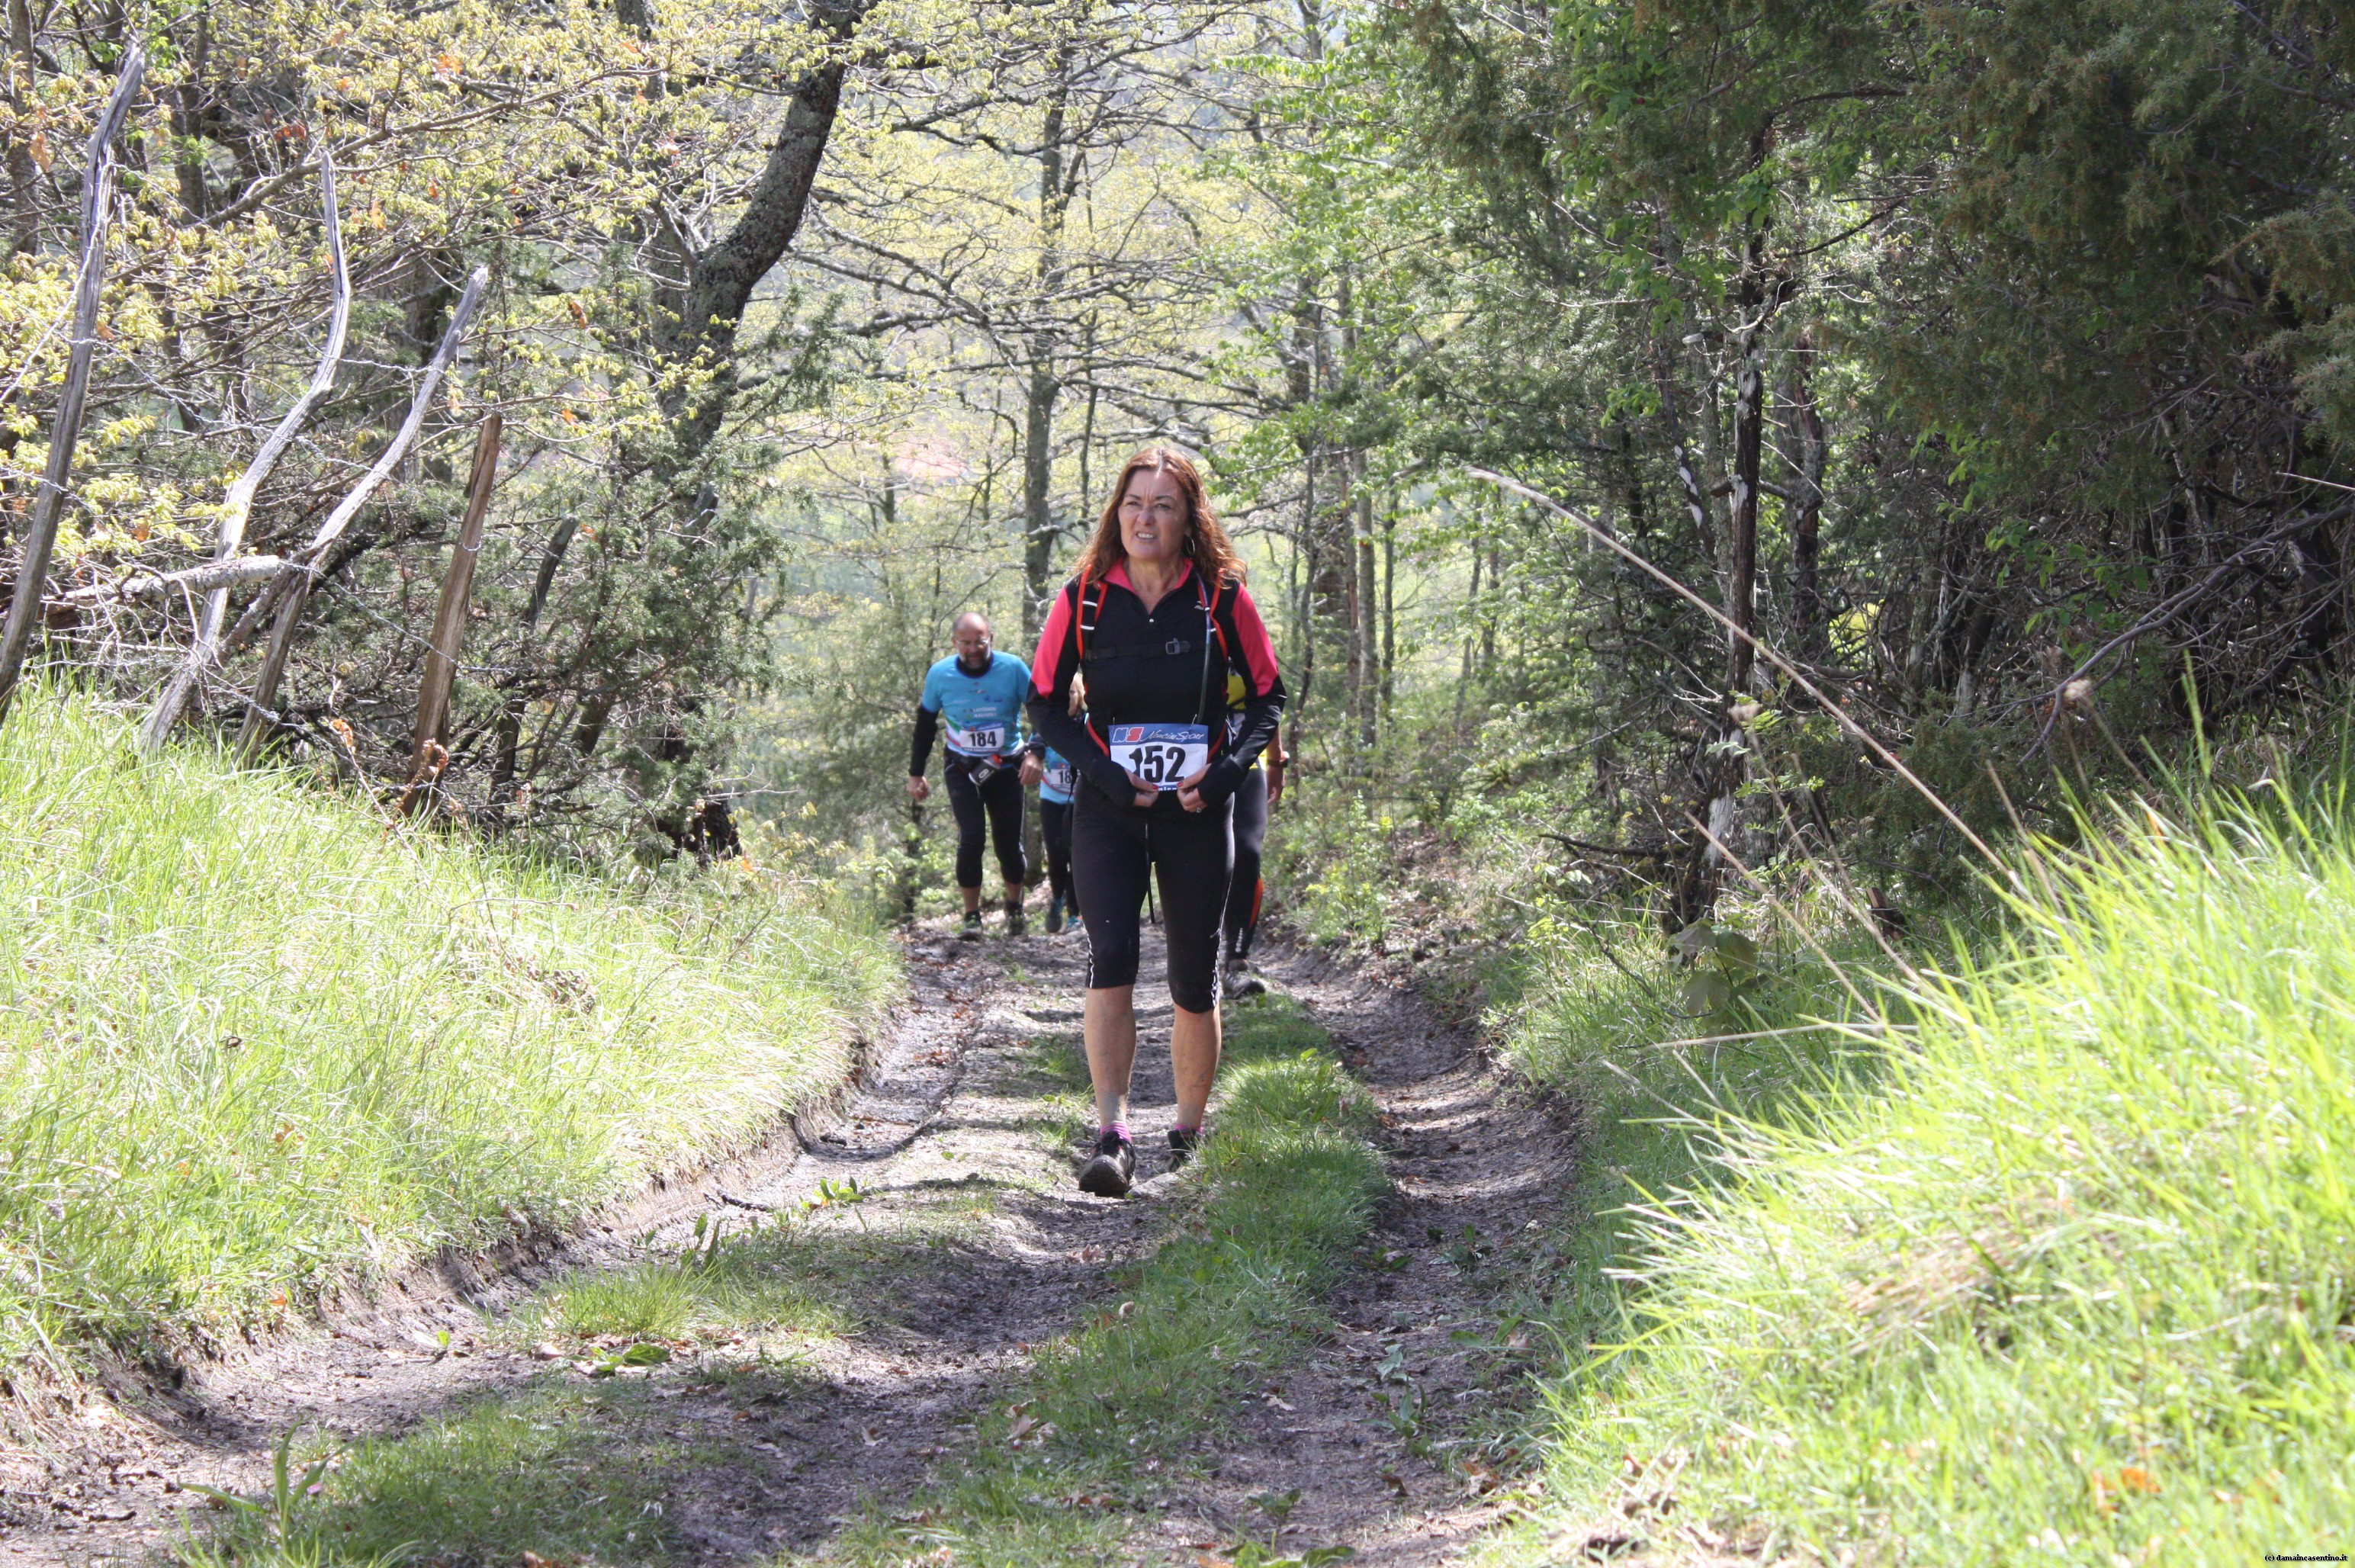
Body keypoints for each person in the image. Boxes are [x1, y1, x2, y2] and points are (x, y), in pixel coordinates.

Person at [1027, 448, 1285, 1197]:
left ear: (1188, 517)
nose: (1145, 518)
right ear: (1117, 512)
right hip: (1108, 810)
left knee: (1191, 980)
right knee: (1108, 959)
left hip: (1196, 811)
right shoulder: (1082, 598)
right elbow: (1044, 702)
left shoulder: (1221, 597)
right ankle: (1112, 1134)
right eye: (1133, 503)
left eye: (1163, 505)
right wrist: (1103, 770)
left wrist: (1229, 772)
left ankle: (1187, 1133)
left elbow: (1268, 697)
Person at [908, 612, 1043, 940]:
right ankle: (972, 917)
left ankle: (1014, 909)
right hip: (962, 767)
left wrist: (1036, 753)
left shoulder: (1012, 669)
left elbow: (1043, 710)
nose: (973, 649)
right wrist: (916, 774)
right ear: (955, 643)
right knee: (971, 837)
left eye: (979, 641)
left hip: (1007, 765)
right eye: (965, 643)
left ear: (990, 639)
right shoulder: (940, 674)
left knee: (1008, 845)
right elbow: (925, 725)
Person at [1220, 686, 1286, 998]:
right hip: (1190, 753)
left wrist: (1276, 760)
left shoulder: (1249, 643)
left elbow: (1268, 698)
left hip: (1247, 755)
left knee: (1247, 851)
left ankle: (1236, 960)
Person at [1036, 744, 1083, 934]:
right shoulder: (1044, 727)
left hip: (1080, 802)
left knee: (1077, 859)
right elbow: (1033, 750)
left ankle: (1074, 914)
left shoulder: (1087, 725)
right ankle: (1057, 898)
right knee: (1057, 859)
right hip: (1052, 800)